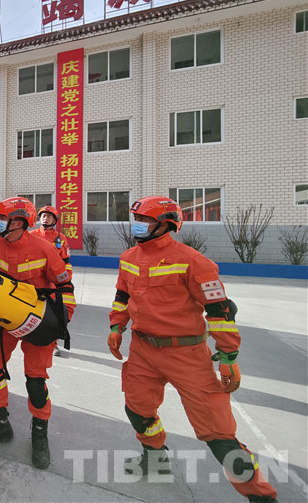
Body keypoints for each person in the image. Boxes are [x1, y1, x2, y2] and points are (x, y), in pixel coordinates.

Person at [107, 196, 277, 503]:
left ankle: (261, 496)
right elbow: (122, 296)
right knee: (137, 409)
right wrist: (116, 326)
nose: (137, 225)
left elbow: (220, 311)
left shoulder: (193, 261)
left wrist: (228, 356)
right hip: (143, 350)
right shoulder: (128, 257)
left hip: (187, 355)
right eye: (136, 219)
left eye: (144, 220)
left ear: (166, 225)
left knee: (219, 434)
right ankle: (155, 458)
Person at [0, 197, 75, 470]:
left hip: (37, 322)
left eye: (3, 219)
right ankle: (0, 424)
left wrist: (63, 319)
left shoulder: (44, 248)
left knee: (35, 381)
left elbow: (65, 285)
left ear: (19, 222)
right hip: (4, 321)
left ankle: (39, 435)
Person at [30, 205, 75, 356]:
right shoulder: (31, 235)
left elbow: (66, 261)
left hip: (55, 283)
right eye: (43, 216)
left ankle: (53, 343)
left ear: (55, 220)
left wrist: (67, 280)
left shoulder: (60, 238)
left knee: (54, 314)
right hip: (36, 281)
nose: (45, 218)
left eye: (49, 216)